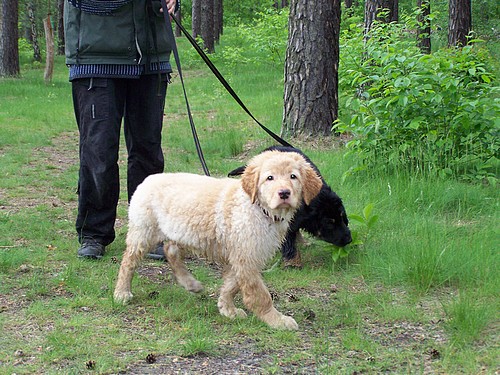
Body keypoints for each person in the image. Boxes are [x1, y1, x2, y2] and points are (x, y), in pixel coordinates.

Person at [64, 0, 178, 259]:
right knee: (98, 152)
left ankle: (148, 232)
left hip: (150, 56)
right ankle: (94, 232)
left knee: (148, 150)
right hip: (95, 55)